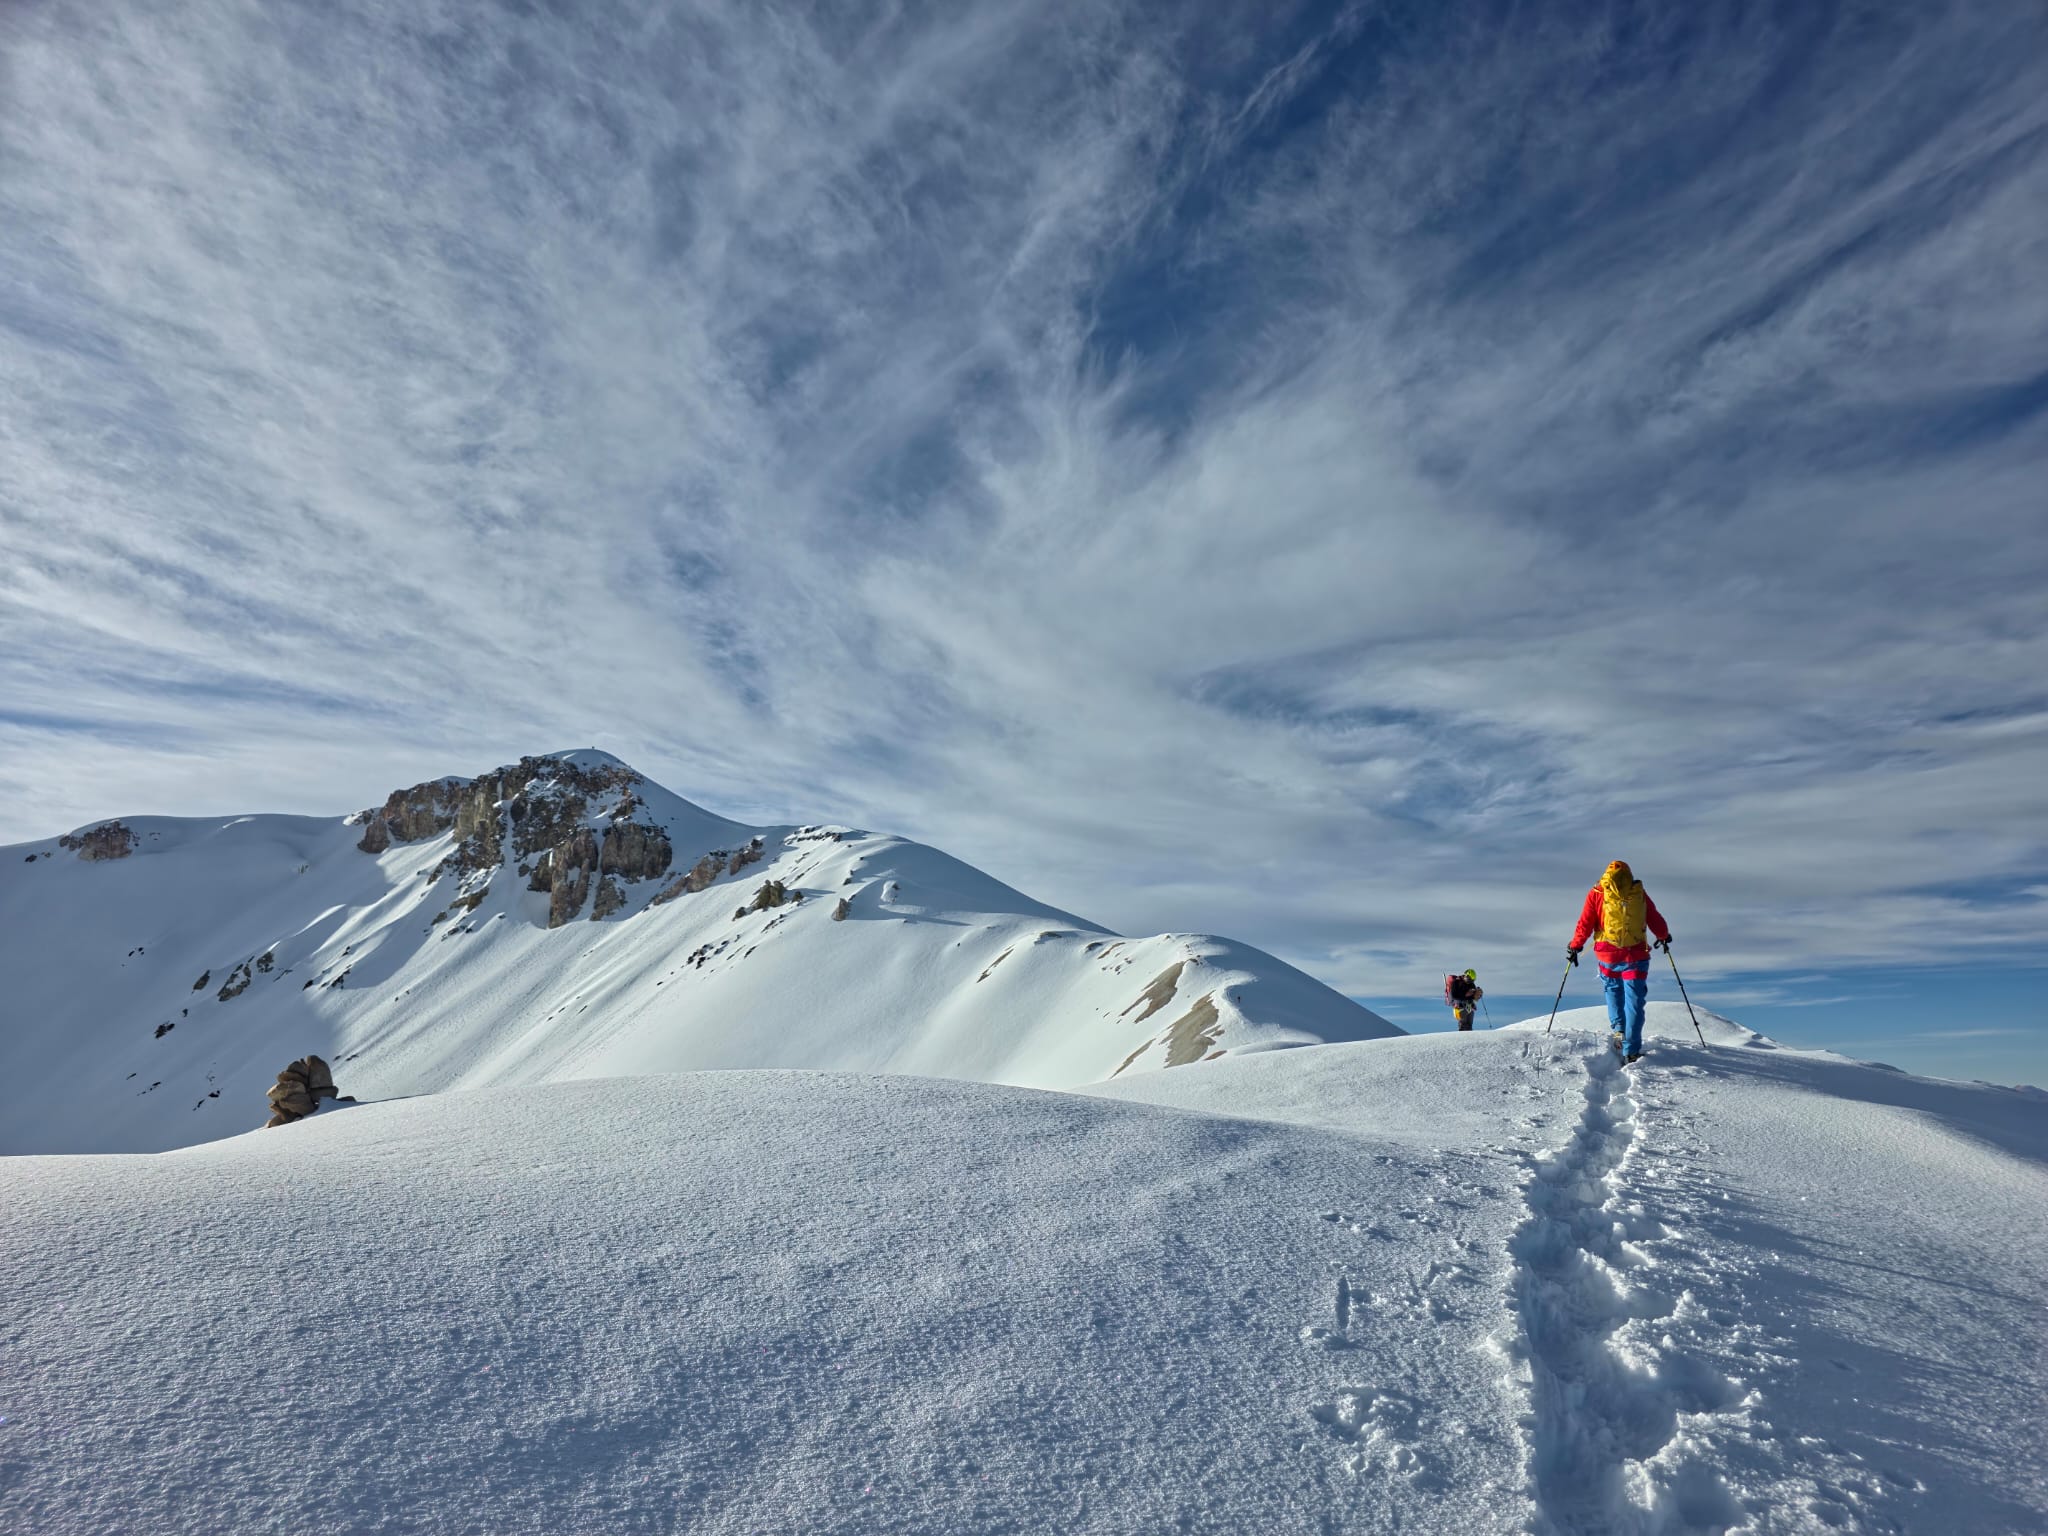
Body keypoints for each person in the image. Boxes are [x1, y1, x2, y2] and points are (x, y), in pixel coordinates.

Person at [1567, 860, 1672, 1063]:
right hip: (1636, 957)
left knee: (1613, 993)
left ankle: (1618, 1036)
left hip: (1607, 956)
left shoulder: (1597, 893)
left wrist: (1575, 945)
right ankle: (1631, 1051)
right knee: (1634, 1002)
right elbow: (1654, 917)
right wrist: (1664, 935)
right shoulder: (1637, 892)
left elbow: (1585, 924)